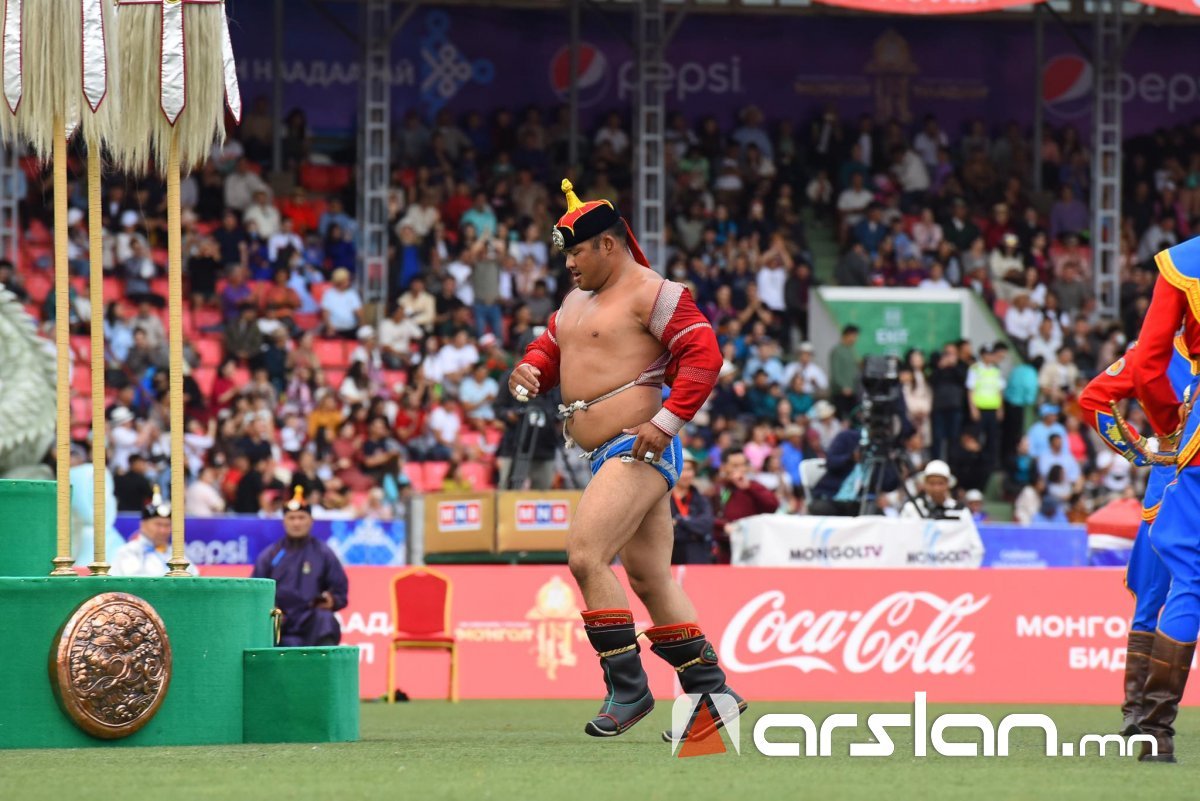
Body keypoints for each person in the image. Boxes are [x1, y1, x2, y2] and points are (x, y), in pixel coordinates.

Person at [508, 180, 742, 739]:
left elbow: (704, 355)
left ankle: (629, 688)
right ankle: (713, 697)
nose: (569, 263)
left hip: (637, 447)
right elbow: (554, 345)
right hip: (609, 452)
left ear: (608, 245)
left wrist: (666, 422)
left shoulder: (654, 292)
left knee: (586, 555)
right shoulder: (574, 300)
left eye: (576, 252)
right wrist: (532, 368)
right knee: (650, 577)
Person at [1079, 331, 1199, 750]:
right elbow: (1094, 399)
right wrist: (1141, 449)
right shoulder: (1154, 354)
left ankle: (1146, 717)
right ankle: (1138, 711)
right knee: (1152, 601)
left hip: (1172, 493)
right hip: (1168, 495)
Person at [1121, 237, 1200, 761]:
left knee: (1188, 580)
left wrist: (1168, 430)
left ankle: (1154, 731)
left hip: (1190, 454)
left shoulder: (1185, 263)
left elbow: (1147, 365)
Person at [252, 488, 350, 647]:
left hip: (310, 621)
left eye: (301, 517)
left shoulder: (323, 553)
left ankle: (323, 662)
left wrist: (332, 601)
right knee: (265, 624)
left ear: (311, 520)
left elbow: (340, 590)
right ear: (284, 521)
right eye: (291, 518)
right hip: (280, 621)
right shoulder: (270, 555)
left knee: (326, 619)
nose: (296, 523)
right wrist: (270, 608)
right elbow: (255, 592)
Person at [111, 488, 198, 576]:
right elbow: (133, 580)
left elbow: (194, 576)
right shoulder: (129, 552)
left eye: (167, 525)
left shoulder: (176, 554)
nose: (163, 530)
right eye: (158, 524)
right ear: (143, 525)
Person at [669, 455, 714, 565]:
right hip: (670, 558)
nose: (686, 474)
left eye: (689, 469)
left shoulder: (701, 499)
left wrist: (679, 521)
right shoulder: (663, 499)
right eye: (682, 469)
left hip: (697, 559)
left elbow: (706, 525)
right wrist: (692, 530)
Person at [900, 460, 964, 519]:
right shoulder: (912, 508)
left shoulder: (960, 509)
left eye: (940, 483)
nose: (936, 488)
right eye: (932, 483)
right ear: (925, 484)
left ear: (948, 484)